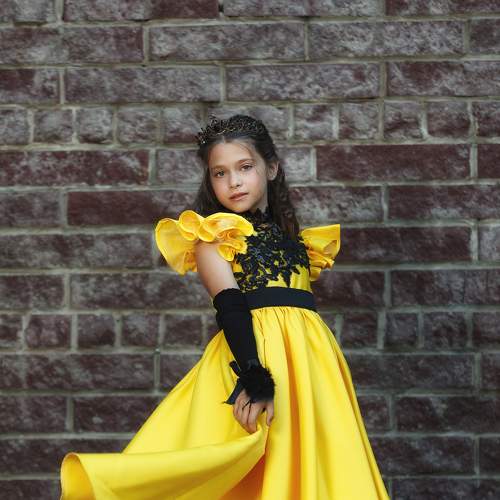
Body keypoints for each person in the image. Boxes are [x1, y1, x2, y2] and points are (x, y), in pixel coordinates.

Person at [59, 114, 390, 499]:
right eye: (220, 173)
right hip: (256, 356)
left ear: (271, 168)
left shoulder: (297, 242)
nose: (233, 181)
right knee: (255, 463)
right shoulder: (213, 239)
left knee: (318, 462)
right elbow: (230, 306)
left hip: (310, 362)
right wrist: (254, 375)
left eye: (245, 167)